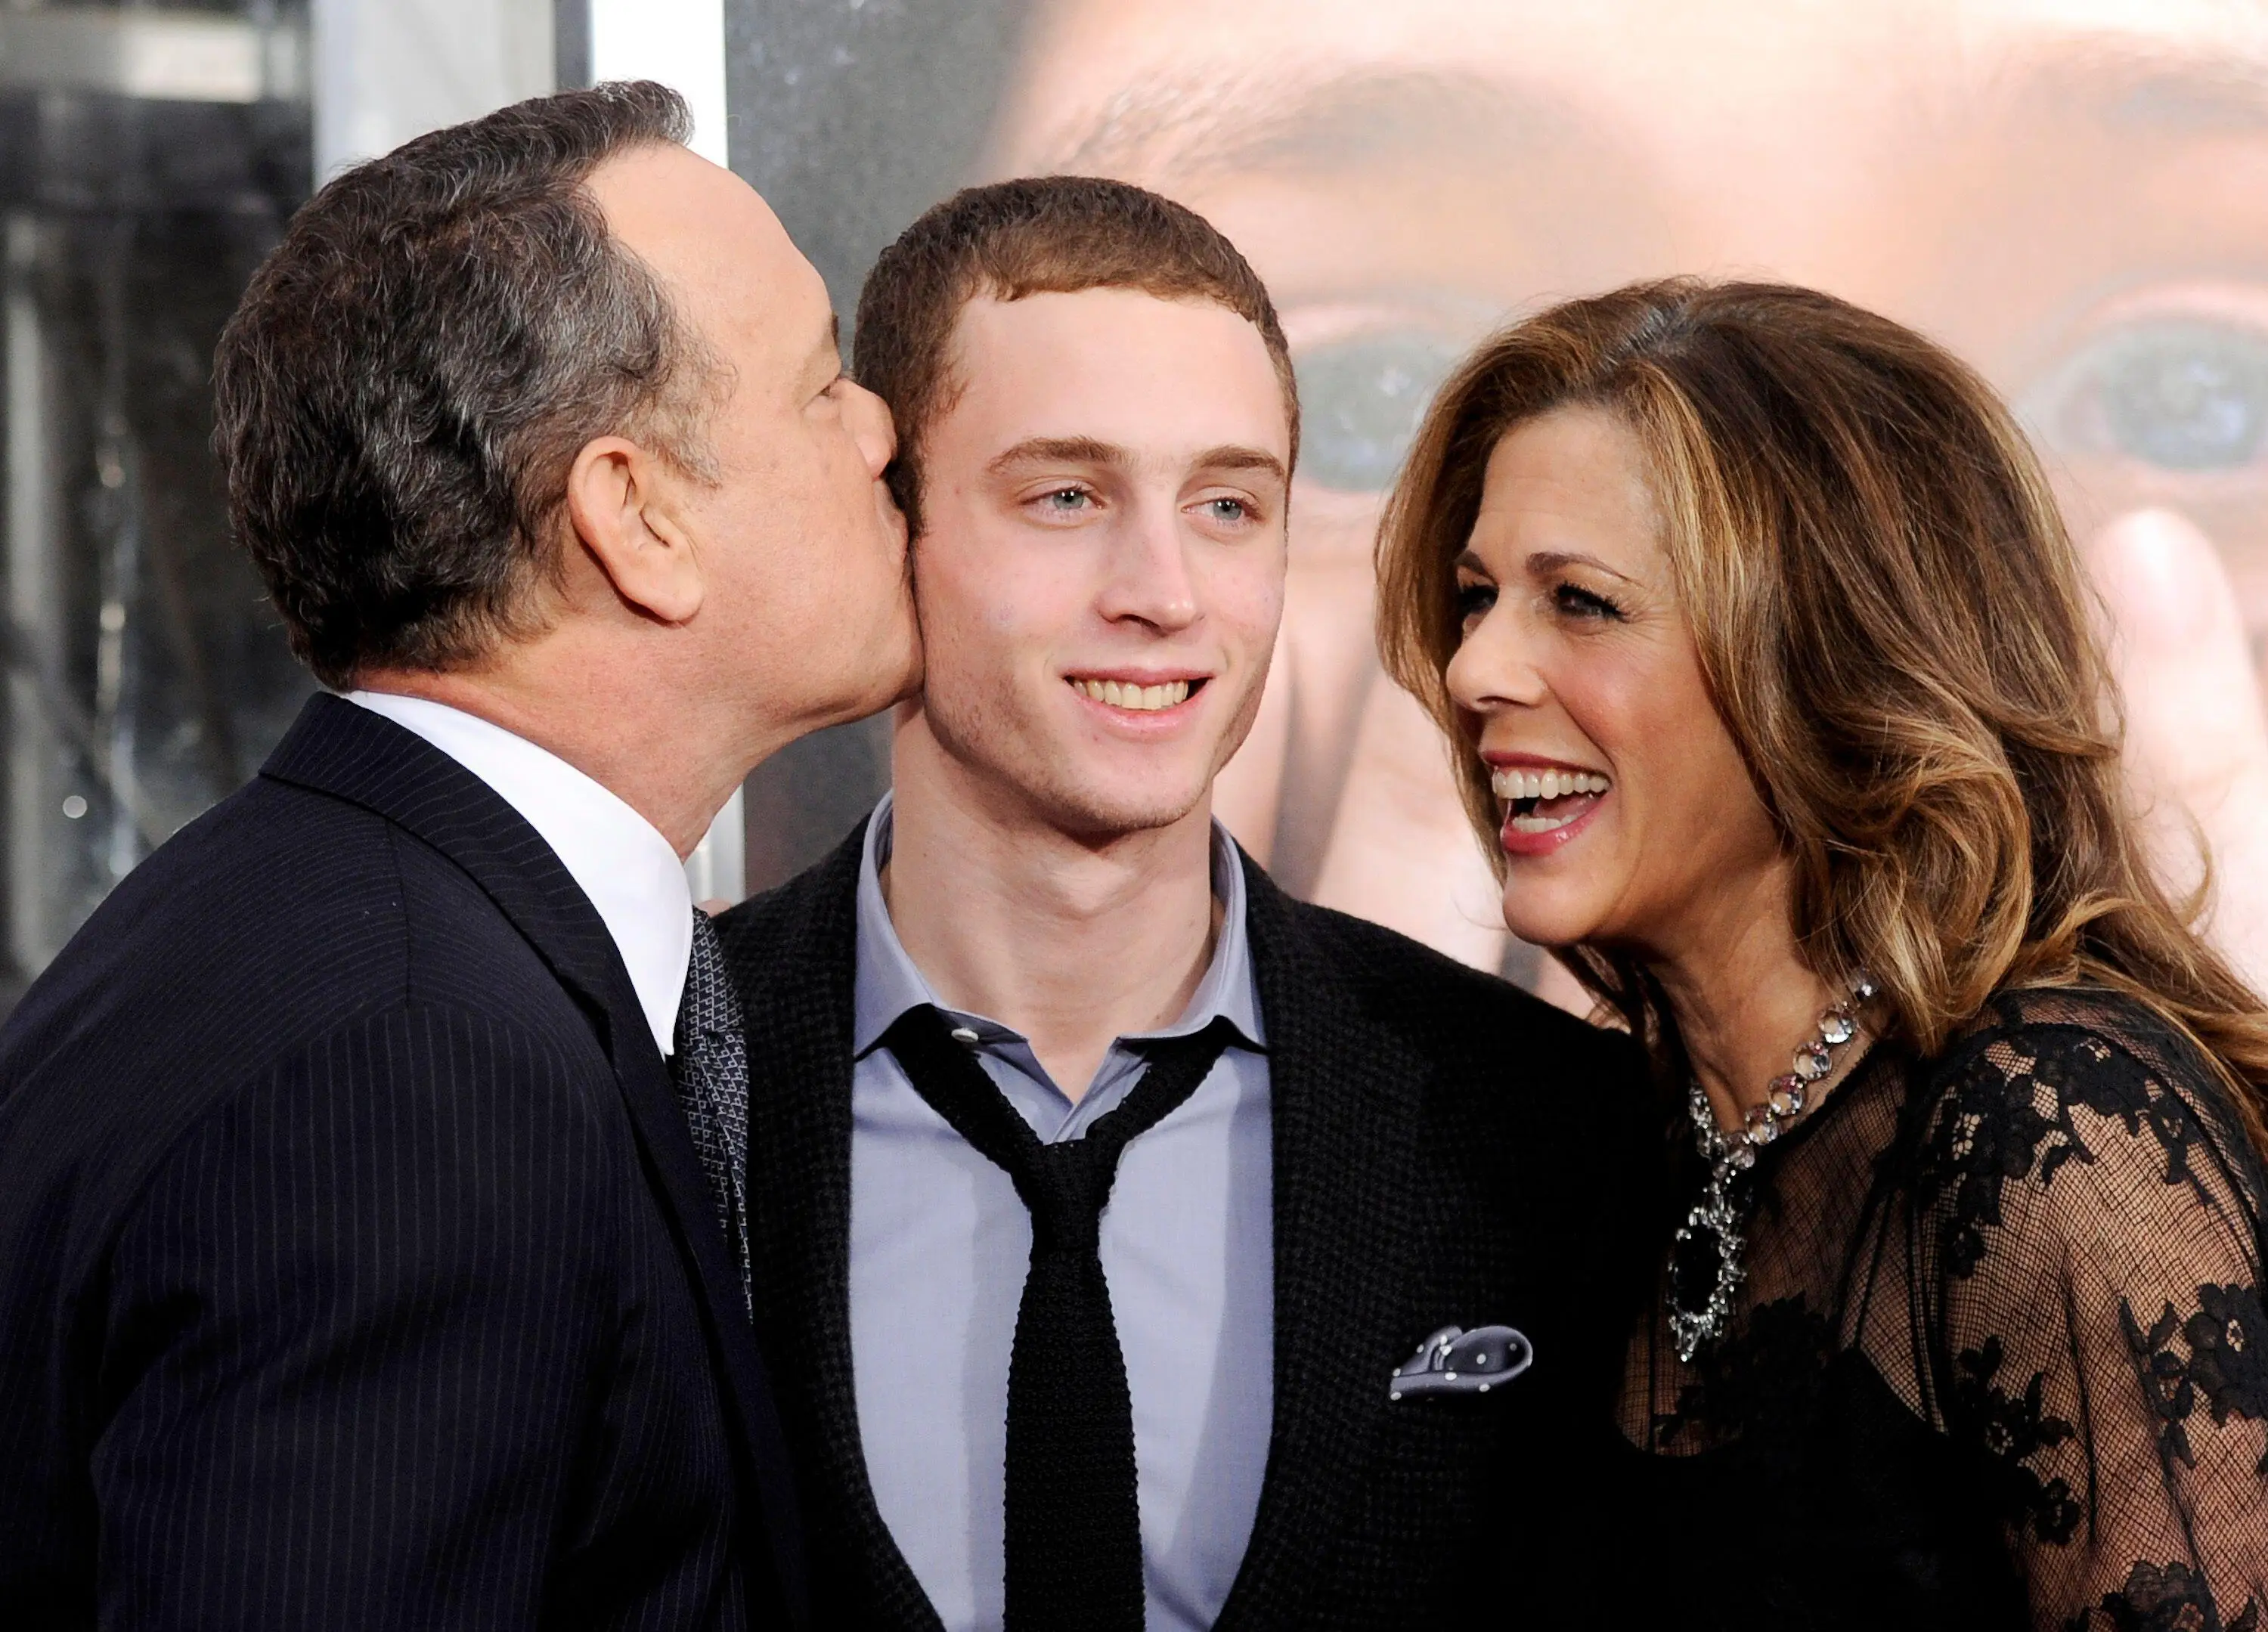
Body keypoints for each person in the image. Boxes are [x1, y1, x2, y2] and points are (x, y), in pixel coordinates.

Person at [738, 0, 2268, 1003]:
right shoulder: (714, 1077)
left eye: (2195, 387)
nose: (1787, 641)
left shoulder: (2089, 1191)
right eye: (1366, 410)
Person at [0, 83, 917, 1627]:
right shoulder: (415, 1064)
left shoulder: (312, 928)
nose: (883, 427)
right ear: (636, 517)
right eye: (822, 386)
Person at [715, 175, 1659, 1632]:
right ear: (890, 525)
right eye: (1067, 496)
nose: (1162, 589)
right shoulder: (649, 1072)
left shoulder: (1537, 1122)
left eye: (1227, 505)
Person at [1376, 277, 2268, 1629]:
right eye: (1479, 595)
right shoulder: (1619, 1150)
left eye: (1582, 602)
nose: (1474, 668)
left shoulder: (2053, 1135)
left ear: (1826, 656)